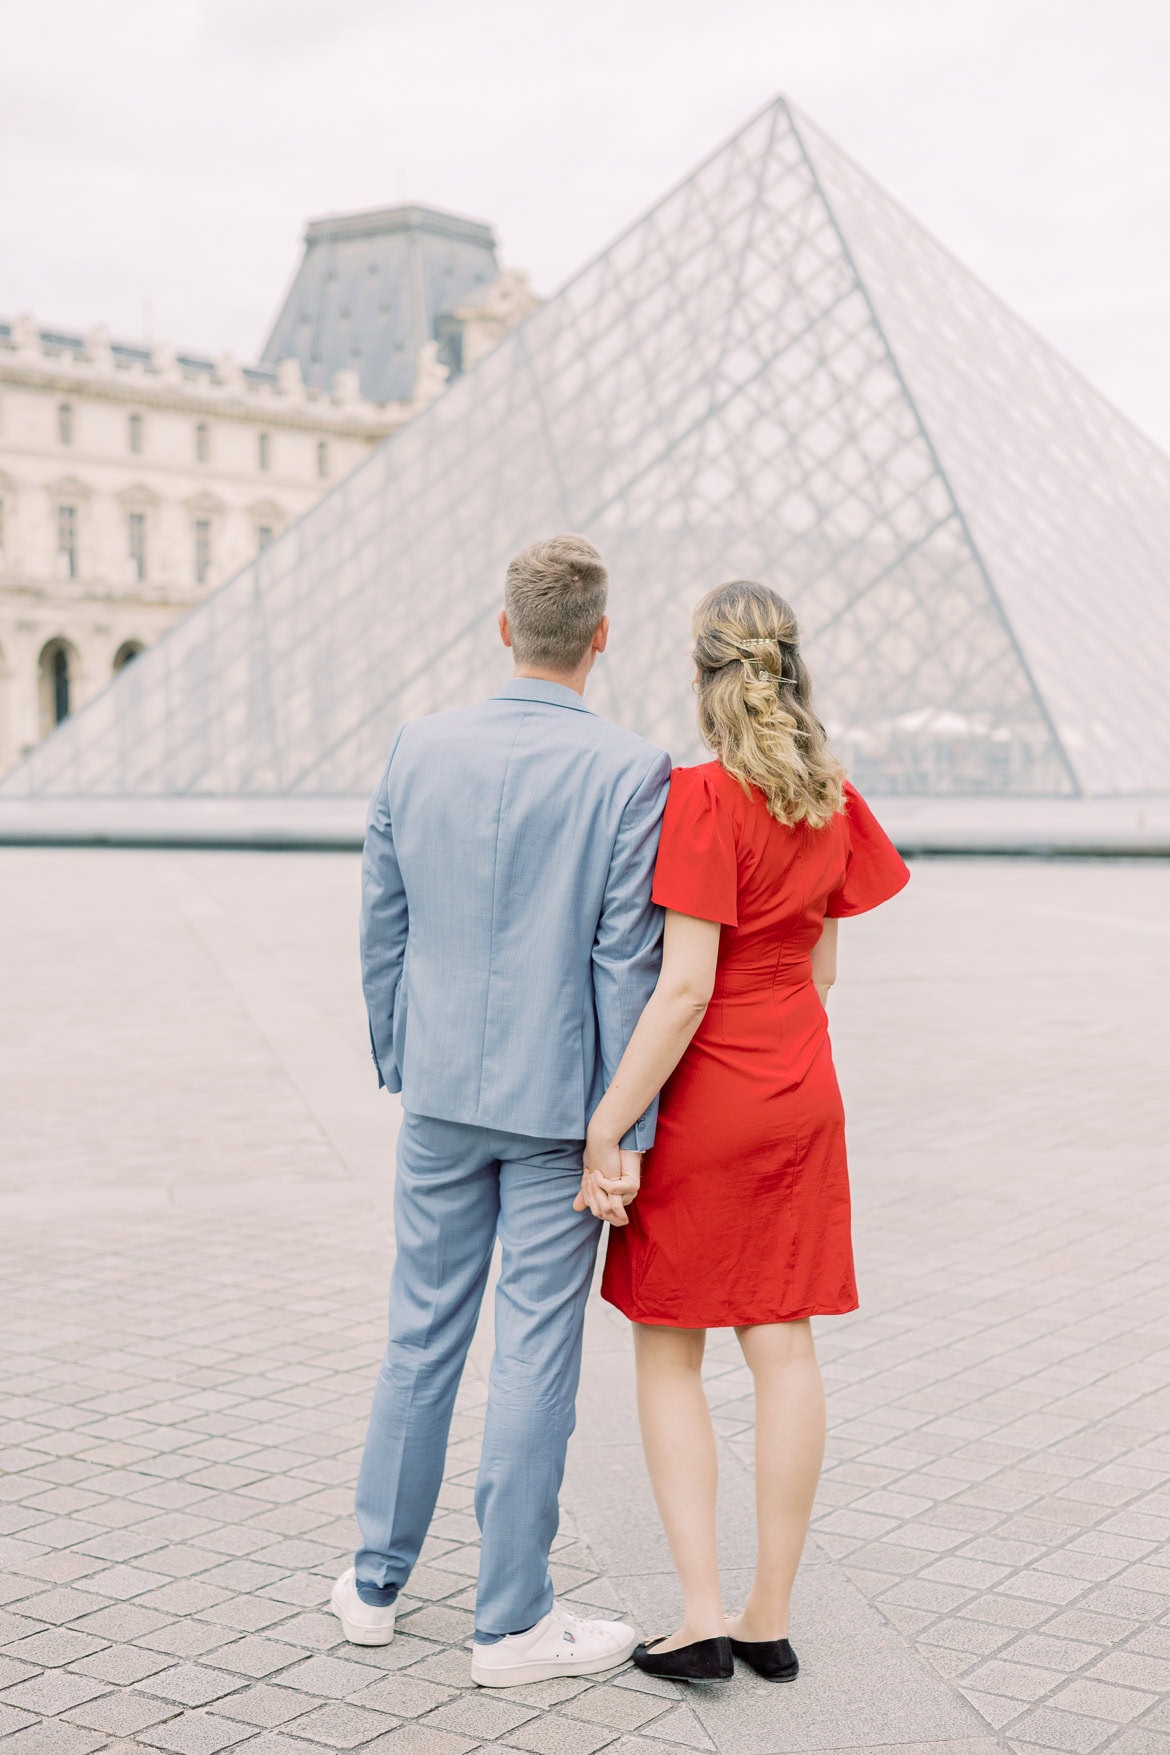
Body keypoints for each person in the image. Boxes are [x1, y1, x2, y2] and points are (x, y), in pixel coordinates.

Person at [333, 534, 671, 1689]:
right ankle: (512, 1619)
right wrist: (621, 1131)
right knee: (535, 1351)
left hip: (438, 1093)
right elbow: (626, 963)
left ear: (502, 628)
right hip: (558, 1108)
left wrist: (402, 1050)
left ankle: (375, 1585)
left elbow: (383, 920)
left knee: (417, 1332)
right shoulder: (633, 771)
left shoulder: (418, 746)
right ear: (601, 639)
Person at [587, 580, 909, 1684]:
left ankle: (699, 1616)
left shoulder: (701, 797)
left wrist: (606, 1124)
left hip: (710, 1102)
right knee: (785, 1345)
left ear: (703, 672)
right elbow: (820, 969)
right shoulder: (830, 795)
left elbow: (681, 990)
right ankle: (771, 1614)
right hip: (802, 1093)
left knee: (671, 1350)